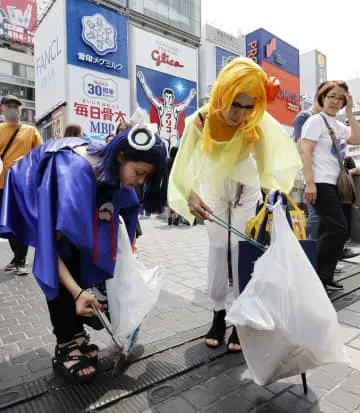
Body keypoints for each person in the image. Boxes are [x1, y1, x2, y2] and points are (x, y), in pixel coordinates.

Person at [0, 119, 167, 384]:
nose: (141, 180)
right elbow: (48, 249)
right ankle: (66, 343)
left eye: (147, 176)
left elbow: (126, 217)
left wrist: (126, 261)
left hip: (85, 184)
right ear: (122, 157)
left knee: (83, 253)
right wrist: (78, 292)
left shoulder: (118, 174)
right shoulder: (73, 176)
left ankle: (77, 336)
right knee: (64, 258)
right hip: (34, 181)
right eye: (140, 173)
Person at [168, 58, 302, 351]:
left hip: (247, 189)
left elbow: (267, 164)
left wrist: (273, 199)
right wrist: (190, 196)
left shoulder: (257, 121)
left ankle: (241, 316)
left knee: (239, 250)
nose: (240, 113)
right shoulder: (200, 121)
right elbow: (182, 165)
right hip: (213, 189)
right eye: (235, 104)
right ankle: (218, 313)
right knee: (217, 248)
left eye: (247, 106)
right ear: (222, 95)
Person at [301, 80, 360, 290]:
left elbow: (357, 138)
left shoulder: (335, 124)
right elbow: (305, 151)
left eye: (340, 98)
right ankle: (317, 276)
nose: (335, 101)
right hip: (319, 182)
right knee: (338, 228)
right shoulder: (315, 121)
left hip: (334, 184)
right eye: (331, 96)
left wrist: (351, 112)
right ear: (322, 97)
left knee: (331, 229)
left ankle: (323, 275)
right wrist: (309, 183)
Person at [0, 95, 43, 275]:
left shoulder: (30, 131)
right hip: (2, 184)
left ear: (21, 110)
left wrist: (27, 159)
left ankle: (21, 260)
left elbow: (41, 154)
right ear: (2, 109)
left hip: (22, 185)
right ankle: (16, 257)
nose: (12, 109)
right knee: (6, 223)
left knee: (20, 222)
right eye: (9, 106)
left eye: (16, 106)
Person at [292, 83, 325, 240]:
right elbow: (301, 147)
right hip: (308, 175)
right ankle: (305, 248)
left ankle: (313, 250)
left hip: (321, 174)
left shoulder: (322, 122)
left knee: (320, 215)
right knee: (314, 215)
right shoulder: (304, 117)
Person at [137, 71, 196, 155]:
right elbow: (151, 97)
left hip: (173, 133)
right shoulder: (161, 107)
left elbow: (184, 105)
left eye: (170, 97)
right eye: (167, 97)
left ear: (173, 98)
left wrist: (190, 96)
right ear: (164, 97)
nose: (169, 99)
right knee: (164, 151)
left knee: (173, 146)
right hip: (163, 133)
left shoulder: (175, 108)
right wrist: (143, 83)